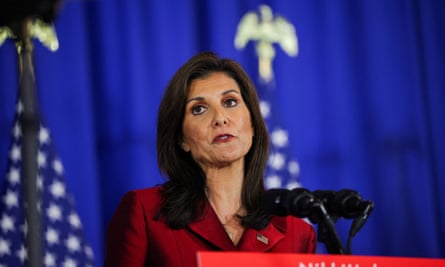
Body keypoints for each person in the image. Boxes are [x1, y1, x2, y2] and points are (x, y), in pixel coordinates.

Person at [104, 51, 317, 267]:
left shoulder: (296, 233)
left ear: (252, 124)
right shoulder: (144, 212)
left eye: (231, 102)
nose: (220, 118)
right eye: (199, 109)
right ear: (181, 139)